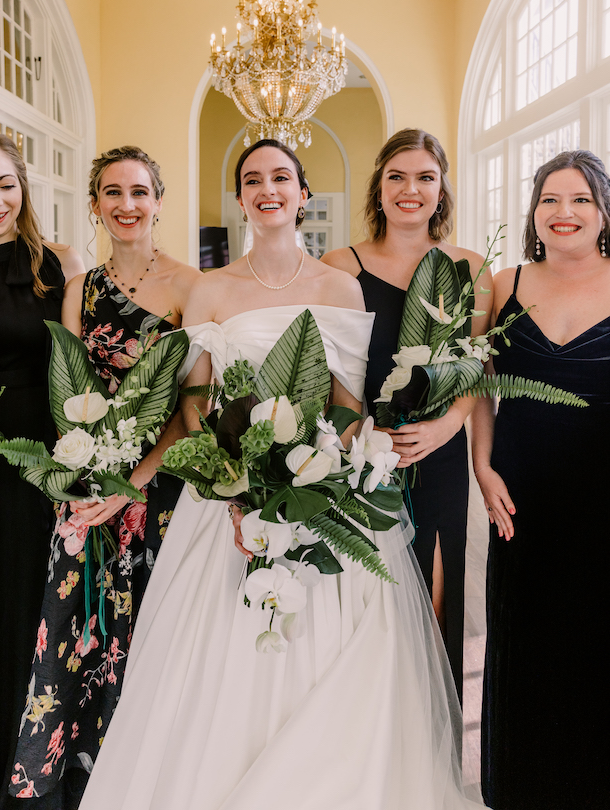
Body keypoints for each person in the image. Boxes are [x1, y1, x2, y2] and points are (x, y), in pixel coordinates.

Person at [79, 138, 485, 810]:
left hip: (321, 490)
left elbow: (347, 402)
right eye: (253, 180)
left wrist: (335, 475)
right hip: (228, 499)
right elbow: (192, 405)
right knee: (217, 663)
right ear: (241, 197)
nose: (268, 190)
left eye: (281, 179)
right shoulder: (210, 291)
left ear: (301, 194)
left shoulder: (338, 285)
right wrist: (212, 482)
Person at [5, 146, 200, 806]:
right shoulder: (78, 289)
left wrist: (133, 484)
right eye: (112, 193)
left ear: (158, 200)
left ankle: (149, 779)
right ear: (95, 204)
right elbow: (69, 393)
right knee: (76, 636)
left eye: (139, 192)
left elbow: (190, 409)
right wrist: (84, 478)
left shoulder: (189, 286)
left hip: (155, 487)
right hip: (87, 490)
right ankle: (82, 775)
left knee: (150, 631)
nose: (126, 205)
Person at [322, 128, 491, 698]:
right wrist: (357, 442)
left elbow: (478, 369)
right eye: (396, 176)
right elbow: (331, 374)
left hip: (438, 455)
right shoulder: (340, 265)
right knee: (370, 607)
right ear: (378, 188)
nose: (410, 190)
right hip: (360, 457)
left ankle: (437, 756)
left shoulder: (470, 267)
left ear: (441, 190)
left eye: (425, 177)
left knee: (437, 600)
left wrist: (446, 428)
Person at [471, 149, 610, 810]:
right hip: (520, 491)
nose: (564, 212)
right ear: (533, 212)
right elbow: (478, 385)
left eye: (580, 198)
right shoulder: (504, 285)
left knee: (595, 641)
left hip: (602, 494)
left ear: (603, 210)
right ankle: (521, 789)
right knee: (525, 638)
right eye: (550, 199)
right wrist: (481, 464)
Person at [0, 129, 84, 810]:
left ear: (23, 186)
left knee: (33, 618)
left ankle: (28, 776)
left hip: (39, 471)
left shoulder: (54, 266)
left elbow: (75, 372)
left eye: (5, 183)